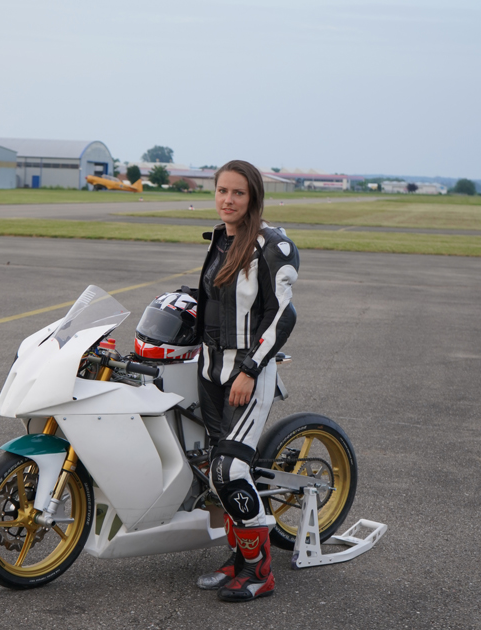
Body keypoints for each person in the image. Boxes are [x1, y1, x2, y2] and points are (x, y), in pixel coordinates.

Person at [195, 160, 299, 602]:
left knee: (230, 469)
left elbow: (282, 315)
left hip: (245, 373)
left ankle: (261, 570)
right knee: (214, 474)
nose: (227, 200)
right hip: (209, 371)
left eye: (237, 193)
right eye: (222, 191)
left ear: (253, 197)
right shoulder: (222, 239)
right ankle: (238, 560)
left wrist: (251, 369)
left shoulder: (272, 246)